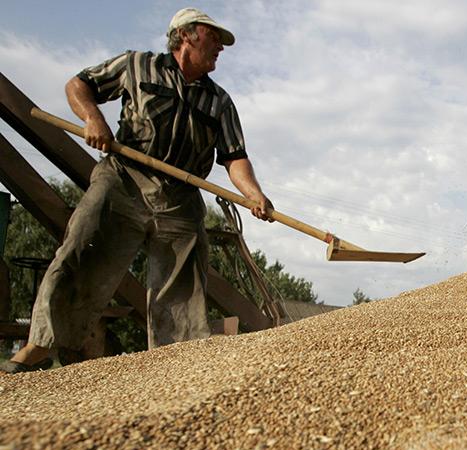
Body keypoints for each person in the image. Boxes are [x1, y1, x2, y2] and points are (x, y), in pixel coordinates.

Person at [1, 8, 273, 374]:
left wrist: (254, 193)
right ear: (187, 35)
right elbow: (78, 85)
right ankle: (40, 345)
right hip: (124, 180)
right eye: (215, 39)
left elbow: (234, 156)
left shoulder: (219, 102)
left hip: (180, 196)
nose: (221, 48)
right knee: (83, 252)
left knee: (183, 284)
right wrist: (93, 119)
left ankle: (172, 365)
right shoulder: (136, 65)